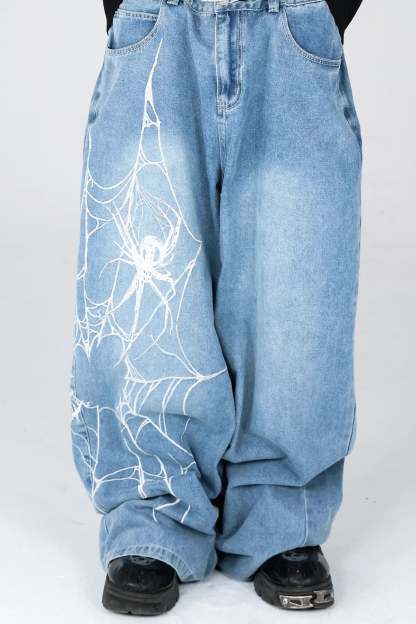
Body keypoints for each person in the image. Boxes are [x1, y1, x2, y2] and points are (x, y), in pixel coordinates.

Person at [70, 0, 363, 614]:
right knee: (145, 287)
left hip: (293, 28)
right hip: (158, 24)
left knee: (296, 287)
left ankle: (283, 512)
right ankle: (151, 511)